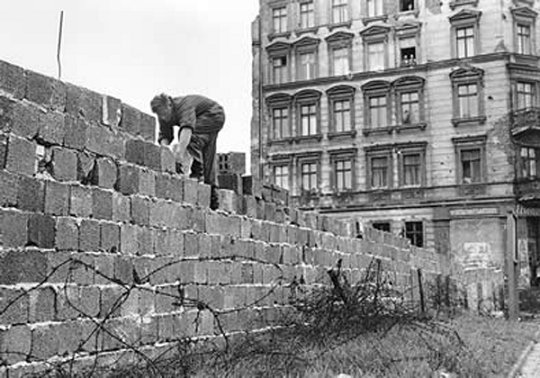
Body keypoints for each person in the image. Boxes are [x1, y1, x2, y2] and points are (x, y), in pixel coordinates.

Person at [150, 93, 225, 210]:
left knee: (189, 138)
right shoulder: (163, 114)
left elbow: (187, 128)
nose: (163, 118)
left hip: (215, 114)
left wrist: (180, 154)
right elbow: (165, 136)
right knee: (208, 152)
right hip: (206, 118)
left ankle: (197, 171)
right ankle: (212, 193)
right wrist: (164, 153)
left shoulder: (183, 106)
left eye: (164, 114)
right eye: (160, 115)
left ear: (169, 105)